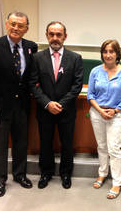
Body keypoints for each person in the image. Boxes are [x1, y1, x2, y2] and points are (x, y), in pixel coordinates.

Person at [0, 11, 38, 197]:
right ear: (6, 24)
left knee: (21, 143)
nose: (16, 28)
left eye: (21, 25)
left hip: (22, 106)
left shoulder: (31, 47)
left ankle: (20, 175)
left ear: (26, 29)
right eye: (13, 24)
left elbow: (30, 76)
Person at [29, 21, 83, 190]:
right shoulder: (37, 58)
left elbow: (77, 86)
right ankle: (46, 173)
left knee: (67, 143)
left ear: (65, 37)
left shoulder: (75, 58)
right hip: (45, 110)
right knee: (45, 142)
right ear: (46, 35)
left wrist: (60, 104)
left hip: (66, 111)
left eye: (58, 35)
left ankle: (66, 174)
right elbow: (32, 83)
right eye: (51, 34)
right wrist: (47, 104)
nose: (55, 38)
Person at [87, 40, 121, 199]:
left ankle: (117, 182)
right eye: (105, 51)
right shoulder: (95, 71)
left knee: (114, 148)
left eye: (111, 51)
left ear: (117, 54)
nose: (108, 55)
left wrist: (114, 110)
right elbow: (90, 95)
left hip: (116, 115)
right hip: (97, 113)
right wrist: (100, 111)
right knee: (101, 146)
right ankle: (102, 173)